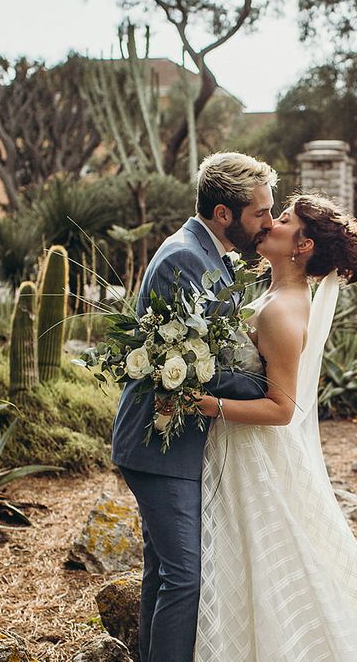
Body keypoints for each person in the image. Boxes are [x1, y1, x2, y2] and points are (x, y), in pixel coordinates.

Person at [193, 193, 357, 661]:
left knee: (267, 567)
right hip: (243, 450)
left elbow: (282, 407)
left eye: (283, 220)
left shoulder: (282, 310)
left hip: (254, 456)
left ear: (302, 246)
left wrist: (204, 404)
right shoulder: (273, 296)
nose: (270, 224)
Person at [112, 152, 277, 662]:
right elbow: (189, 368)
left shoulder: (210, 255)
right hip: (160, 445)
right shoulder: (185, 258)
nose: (269, 223)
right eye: (260, 213)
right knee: (185, 578)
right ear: (224, 213)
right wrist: (268, 384)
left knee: (162, 572)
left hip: (173, 444)